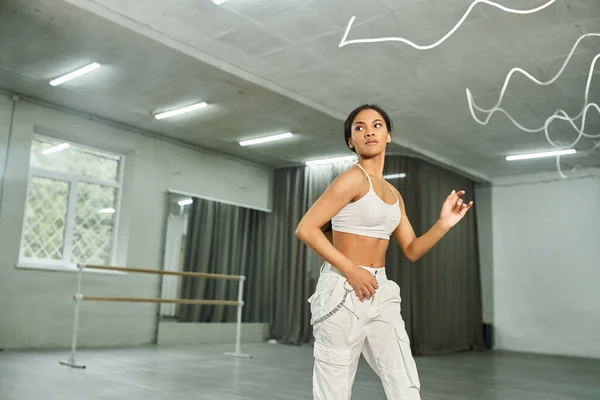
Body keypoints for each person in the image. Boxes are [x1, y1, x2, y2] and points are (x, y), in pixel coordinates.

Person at [295, 104, 473, 400]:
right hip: (343, 288)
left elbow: (412, 249)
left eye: (377, 125)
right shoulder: (351, 179)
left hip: (381, 289)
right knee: (334, 389)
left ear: (388, 135)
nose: (369, 132)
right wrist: (351, 271)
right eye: (359, 127)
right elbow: (307, 228)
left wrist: (444, 223)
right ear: (351, 141)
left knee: (404, 381)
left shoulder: (394, 194)